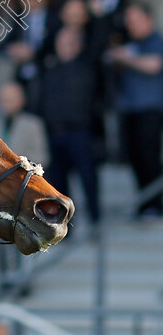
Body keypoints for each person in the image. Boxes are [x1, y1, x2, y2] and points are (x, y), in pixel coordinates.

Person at [0, 82, 49, 292]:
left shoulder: (33, 124)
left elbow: (42, 157)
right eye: (3, 99)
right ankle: (3, 279)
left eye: (11, 99)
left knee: (24, 237)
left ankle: (23, 281)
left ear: (21, 101)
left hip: (23, 192)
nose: (7, 104)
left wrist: (19, 166)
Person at [39, 28, 101, 229]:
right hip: (54, 132)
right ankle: (64, 228)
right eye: (63, 42)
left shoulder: (88, 67)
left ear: (79, 45)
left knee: (88, 179)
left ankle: (95, 221)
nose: (66, 47)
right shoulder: (49, 69)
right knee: (58, 184)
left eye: (71, 42)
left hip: (80, 132)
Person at [106, 3, 163, 219]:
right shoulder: (129, 43)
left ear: (148, 19)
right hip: (128, 108)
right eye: (129, 21)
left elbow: (154, 65)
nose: (132, 25)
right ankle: (145, 202)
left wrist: (123, 57)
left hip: (150, 109)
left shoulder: (155, 40)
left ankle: (155, 205)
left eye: (136, 20)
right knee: (134, 156)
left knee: (148, 156)